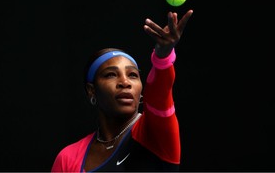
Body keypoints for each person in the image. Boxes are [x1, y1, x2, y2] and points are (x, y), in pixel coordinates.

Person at [51, 9, 194, 172]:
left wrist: (163, 56)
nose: (125, 82)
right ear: (92, 91)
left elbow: (160, 94)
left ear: (141, 90)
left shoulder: (155, 132)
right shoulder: (68, 158)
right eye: (111, 75)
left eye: (133, 75)